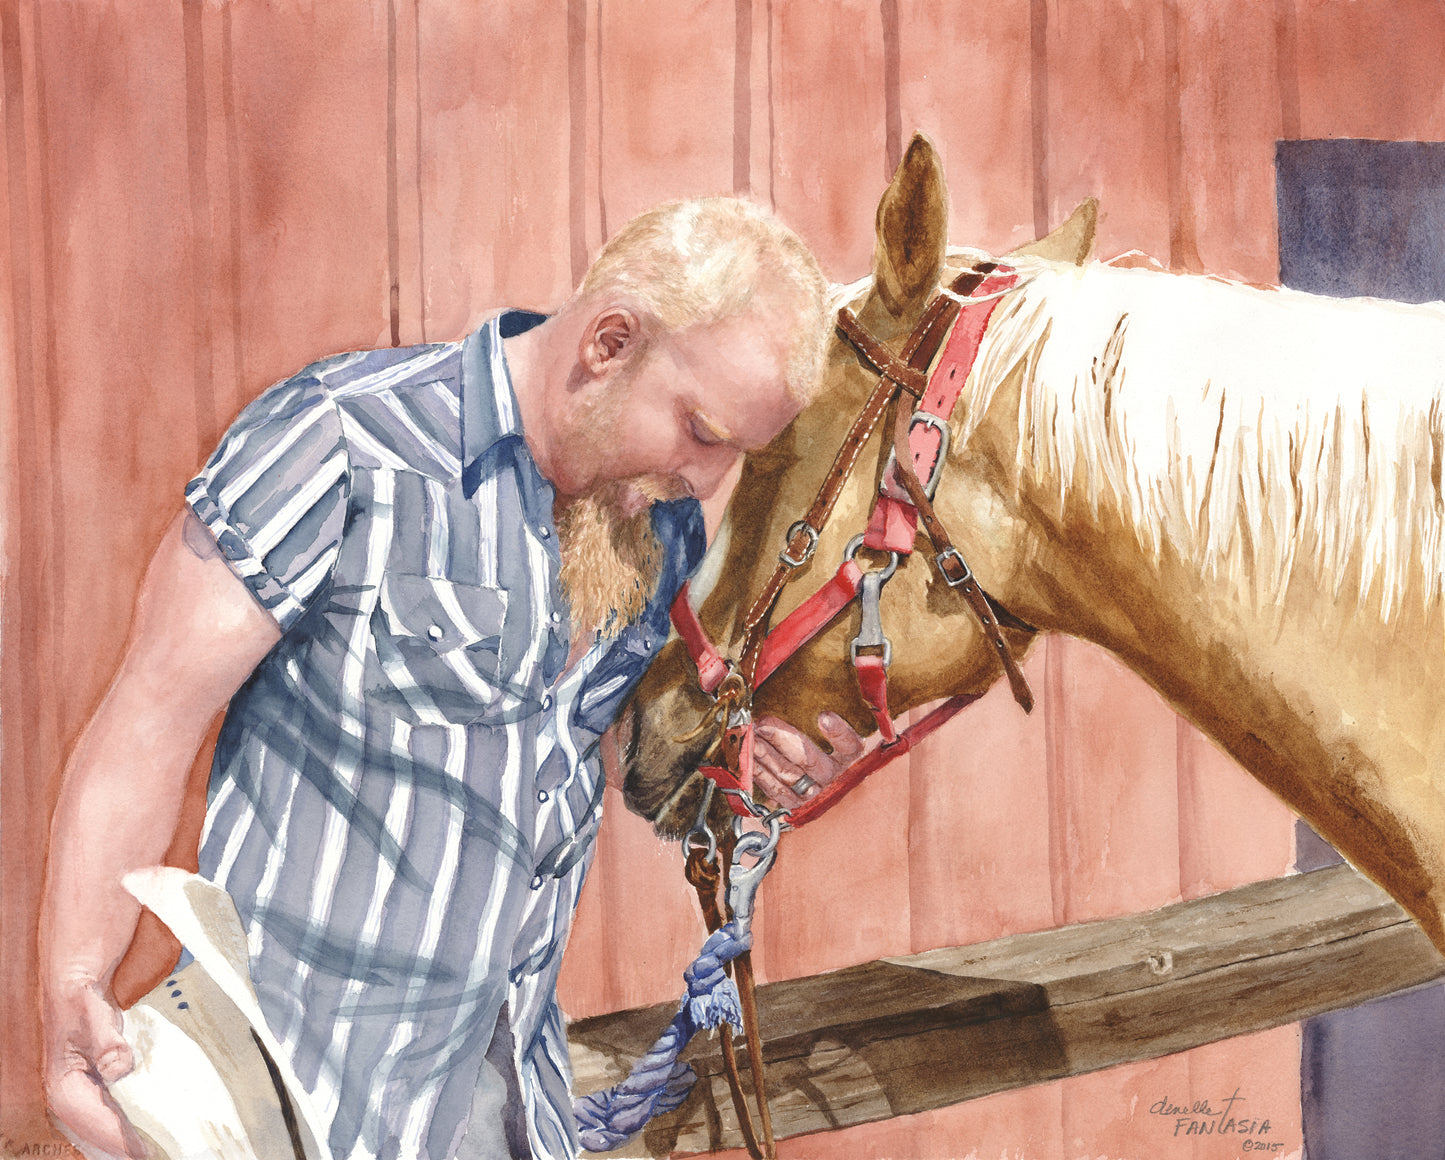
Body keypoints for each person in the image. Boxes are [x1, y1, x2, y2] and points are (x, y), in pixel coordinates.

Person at [40, 197, 863, 1160]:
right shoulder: (337, 441)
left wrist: (735, 763)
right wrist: (75, 987)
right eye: (699, 429)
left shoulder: (653, 531)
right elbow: (151, 716)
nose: (708, 478)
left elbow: (573, 753)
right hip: (284, 1115)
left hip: (510, 1113)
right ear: (607, 344)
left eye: (734, 452)